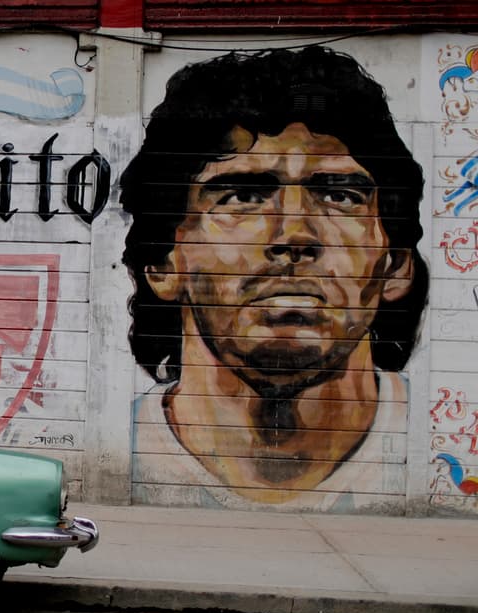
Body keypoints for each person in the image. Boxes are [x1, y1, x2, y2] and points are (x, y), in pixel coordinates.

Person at [119, 46, 429, 508]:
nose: (294, 235)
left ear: (396, 264)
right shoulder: (126, 445)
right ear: (164, 262)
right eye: (243, 195)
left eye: (340, 196)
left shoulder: (435, 435)